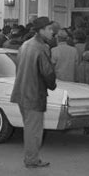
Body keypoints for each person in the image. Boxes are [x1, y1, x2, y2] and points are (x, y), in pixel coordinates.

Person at [10, 17, 56, 168]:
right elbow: (47, 72)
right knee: (34, 131)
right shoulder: (41, 47)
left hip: (21, 91)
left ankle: (31, 158)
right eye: (49, 29)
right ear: (41, 30)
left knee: (30, 128)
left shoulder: (25, 44)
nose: (52, 32)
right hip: (34, 93)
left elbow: (18, 67)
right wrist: (52, 84)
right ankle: (32, 159)